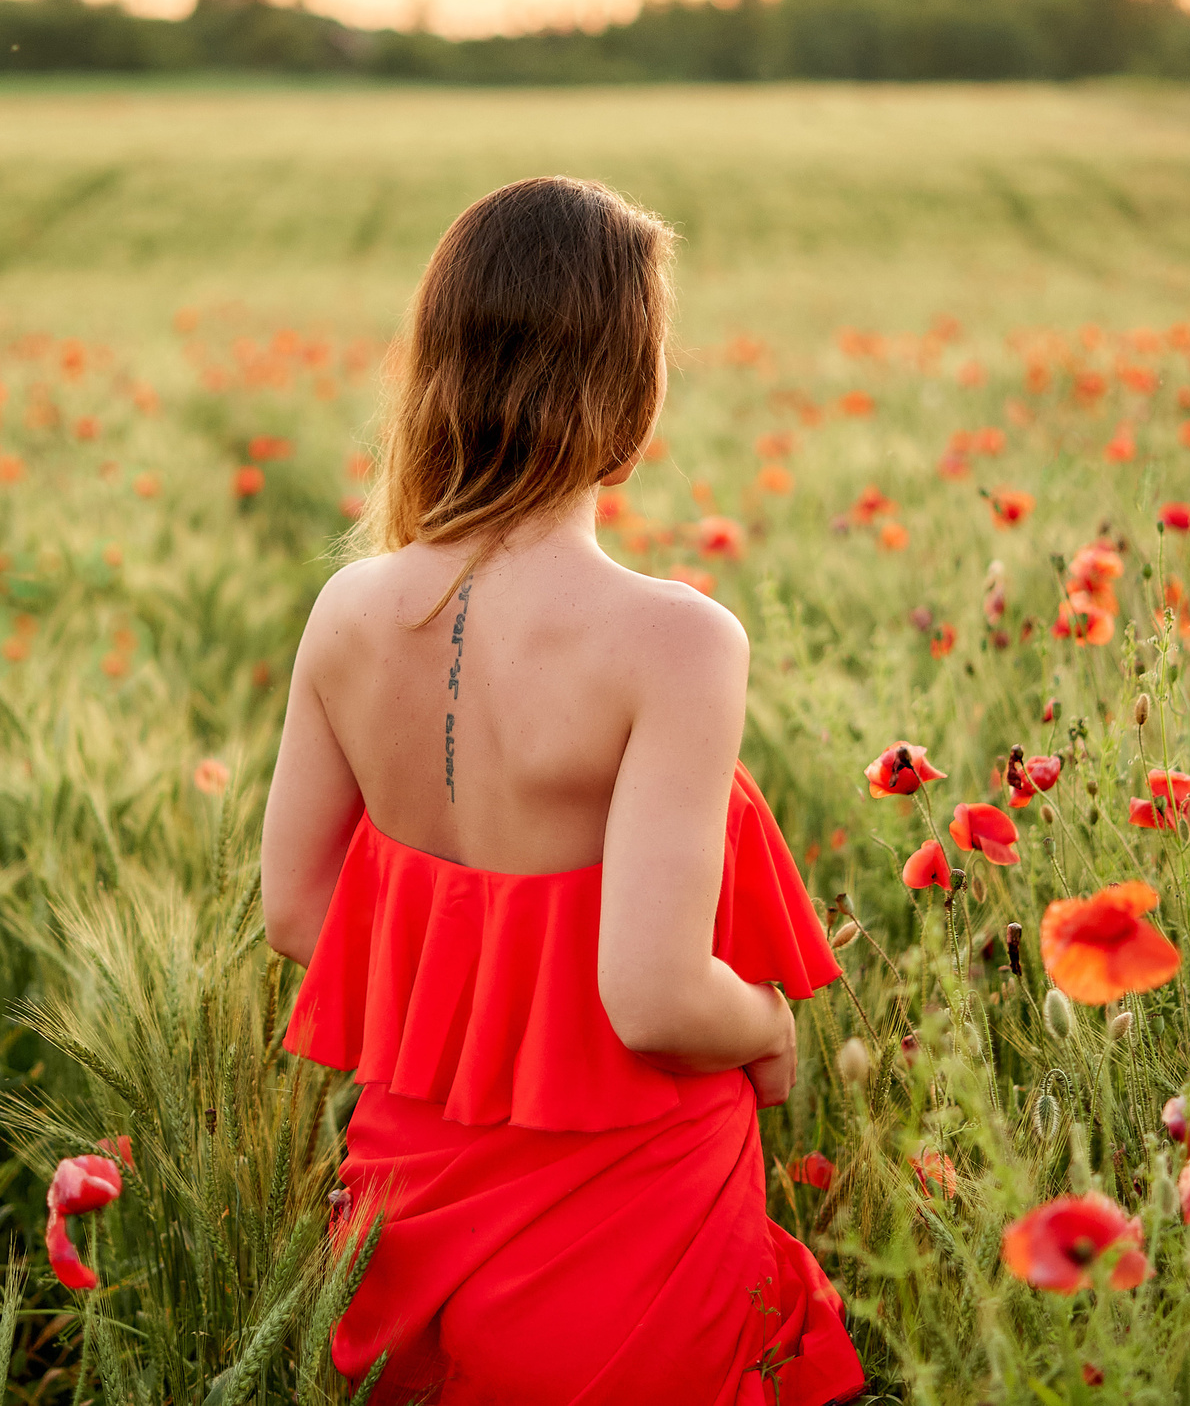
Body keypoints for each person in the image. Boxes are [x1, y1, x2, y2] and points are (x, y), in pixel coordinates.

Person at [259, 177, 865, 1406]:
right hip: (632, 1230)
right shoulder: (674, 644)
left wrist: (474, 1024)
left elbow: (295, 918)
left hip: (402, 1215)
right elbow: (647, 999)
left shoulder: (348, 612)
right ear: (631, 395)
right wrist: (769, 1025)